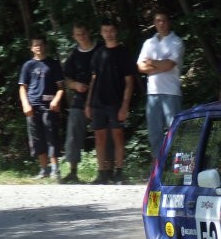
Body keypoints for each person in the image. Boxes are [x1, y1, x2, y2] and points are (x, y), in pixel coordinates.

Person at [86, 18, 136, 184]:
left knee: (118, 136)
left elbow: (129, 81)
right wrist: (88, 103)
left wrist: (125, 105)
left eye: (111, 30)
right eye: (105, 31)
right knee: (99, 138)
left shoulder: (124, 53)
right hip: (98, 102)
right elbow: (93, 79)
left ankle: (119, 172)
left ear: (116, 31)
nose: (109, 34)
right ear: (101, 33)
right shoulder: (98, 53)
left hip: (116, 102)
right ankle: (102, 173)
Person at [137, 11, 185, 161]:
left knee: (175, 130)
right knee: (154, 132)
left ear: (168, 22)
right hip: (153, 93)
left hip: (171, 92)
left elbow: (169, 65)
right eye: (158, 21)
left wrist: (151, 62)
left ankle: (179, 168)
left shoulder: (176, 42)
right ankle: (158, 167)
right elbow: (140, 67)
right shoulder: (148, 43)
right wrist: (159, 65)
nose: (161, 23)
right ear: (154, 23)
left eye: (164, 20)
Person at [18, 35, 65, 180]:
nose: (38, 47)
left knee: (52, 137)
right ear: (31, 48)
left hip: (49, 107)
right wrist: (25, 104)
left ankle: (55, 170)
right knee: (37, 139)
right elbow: (22, 88)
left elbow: (61, 87)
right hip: (32, 106)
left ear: (45, 46)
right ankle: (44, 170)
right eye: (35, 45)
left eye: (41, 44)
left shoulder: (53, 64)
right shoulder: (28, 66)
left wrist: (57, 100)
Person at [62, 22, 102, 183]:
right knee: (73, 135)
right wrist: (75, 85)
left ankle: (106, 171)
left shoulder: (100, 49)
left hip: (101, 99)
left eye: (83, 33)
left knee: (103, 135)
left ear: (88, 32)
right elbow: (66, 80)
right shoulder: (73, 55)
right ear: (74, 37)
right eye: (78, 34)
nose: (81, 37)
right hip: (80, 100)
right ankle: (72, 172)